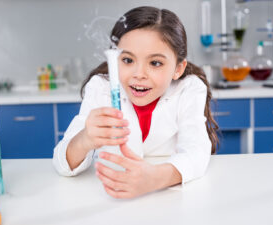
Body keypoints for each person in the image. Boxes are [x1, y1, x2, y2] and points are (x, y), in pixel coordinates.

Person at [53, 6, 219, 199]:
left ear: (178, 68)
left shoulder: (189, 89)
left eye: (155, 63)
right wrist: (85, 139)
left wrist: (154, 178)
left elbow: (197, 151)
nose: (139, 74)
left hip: (169, 199)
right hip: (108, 200)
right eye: (128, 60)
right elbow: (62, 164)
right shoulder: (101, 88)